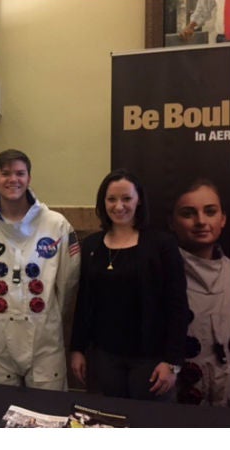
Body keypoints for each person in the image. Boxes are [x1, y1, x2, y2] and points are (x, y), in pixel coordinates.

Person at [0, 149, 80, 391]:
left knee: (48, 416)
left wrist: (55, 322)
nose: (13, 179)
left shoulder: (56, 225)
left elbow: (68, 284)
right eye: (5, 173)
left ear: (29, 178)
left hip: (45, 340)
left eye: (19, 173)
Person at [70, 169, 189, 401]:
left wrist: (172, 362)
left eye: (126, 198)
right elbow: (84, 301)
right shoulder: (92, 245)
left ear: (139, 200)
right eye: (111, 199)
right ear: (103, 202)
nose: (118, 206)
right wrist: (77, 349)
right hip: (104, 357)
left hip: (151, 359)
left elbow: (178, 306)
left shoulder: (162, 244)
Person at [169, 178, 230, 406]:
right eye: (188, 213)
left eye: (210, 211)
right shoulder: (160, 279)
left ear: (223, 219)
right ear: (172, 223)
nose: (201, 221)